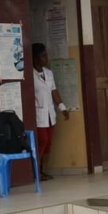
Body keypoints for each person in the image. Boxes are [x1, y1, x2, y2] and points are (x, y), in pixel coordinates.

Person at [32, 43, 69, 181]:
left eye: (45, 55)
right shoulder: (29, 75)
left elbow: (54, 91)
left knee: (48, 144)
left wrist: (62, 107)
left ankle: (43, 171)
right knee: (42, 141)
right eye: (43, 56)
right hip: (38, 114)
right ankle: (35, 171)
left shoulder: (49, 73)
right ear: (35, 58)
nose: (46, 58)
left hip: (49, 114)